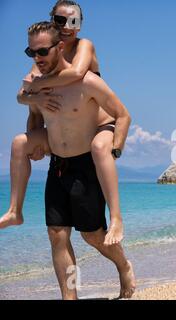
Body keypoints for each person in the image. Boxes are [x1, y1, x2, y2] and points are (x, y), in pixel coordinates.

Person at [21, 21, 135, 299]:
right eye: (31, 52)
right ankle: (70, 297)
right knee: (57, 235)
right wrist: (34, 144)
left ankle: (123, 265)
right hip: (57, 166)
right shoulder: (37, 88)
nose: (37, 58)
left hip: (86, 166)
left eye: (43, 52)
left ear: (60, 47)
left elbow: (122, 114)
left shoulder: (87, 82)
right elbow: (34, 123)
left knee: (92, 236)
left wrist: (114, 150)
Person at [0, 0, 125, 246]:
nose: (67, 26)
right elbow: (22, 97)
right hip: (66, 128)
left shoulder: (83, 46)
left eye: (74, 21)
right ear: (52, 23)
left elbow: (76, 73)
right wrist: (35, 97)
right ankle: (15, 210)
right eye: (60, 21)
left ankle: (117, 217)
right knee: (19, 143)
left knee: (100, 149)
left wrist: (36, 86)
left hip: (98, 124)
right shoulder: (43, 56)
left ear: (80, 25)